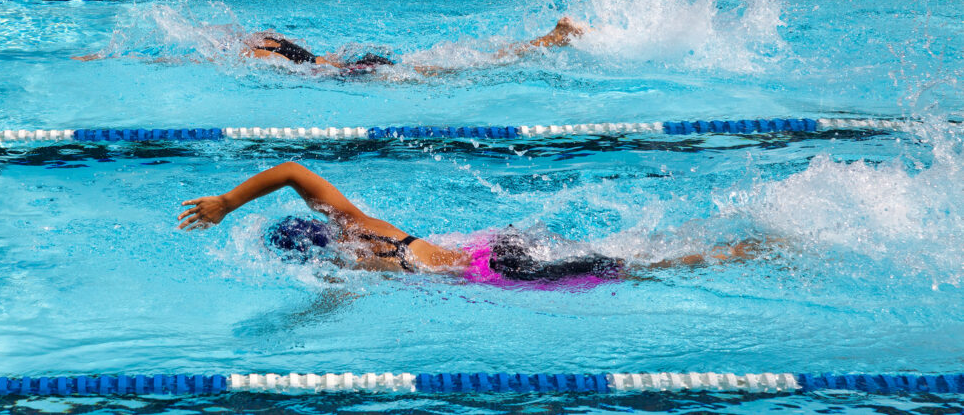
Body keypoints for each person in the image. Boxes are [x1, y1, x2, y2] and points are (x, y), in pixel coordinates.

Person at [177, 162, 774, 287]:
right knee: (630, 252)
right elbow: (292, 169)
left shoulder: (344, 262)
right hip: (494, 244)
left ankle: (747, 252)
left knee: (643, 269)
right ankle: (740, 242)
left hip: (498, 269)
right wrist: (227, 202)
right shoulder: (354, 222)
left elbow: (333, 302)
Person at [239, 17, 588, 75]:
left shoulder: (255, 55)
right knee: (465, 61)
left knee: (465, 68)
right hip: (358, 63)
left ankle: (553, 39)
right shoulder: (265, 38)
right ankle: (550, 39)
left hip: (357, 73)